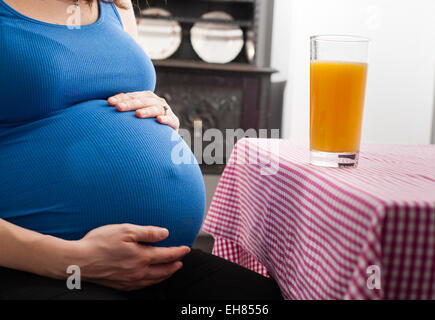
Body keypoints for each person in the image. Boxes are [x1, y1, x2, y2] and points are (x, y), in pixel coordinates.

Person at [0, 0, 283, 300]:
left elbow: (114, 91)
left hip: (155, 266)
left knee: (259, 300)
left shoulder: (114, 5)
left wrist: (158, 108)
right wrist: (72, 260)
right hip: (40, 265)